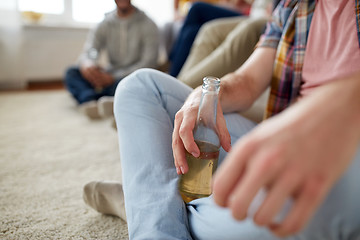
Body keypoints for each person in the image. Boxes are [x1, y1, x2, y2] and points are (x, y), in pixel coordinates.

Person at [84, 0, 360, 239]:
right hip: (276, 142)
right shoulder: (292, 5)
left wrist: (340, 103)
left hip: (345, 156)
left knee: (296, 216)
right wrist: (203, 95)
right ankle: (156, 215)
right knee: (140, 86)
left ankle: (146, 205)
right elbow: (249, 80)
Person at [64, 0, 159, 119]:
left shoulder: (148, 24)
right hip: (109, 73)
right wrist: (89, 63)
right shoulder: (105, 23)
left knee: (137, 84)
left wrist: (113, 77)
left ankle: (97, 98)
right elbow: (91, 50)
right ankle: (93, 101)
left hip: (130, 76)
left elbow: (148, 63)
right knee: (72, 72)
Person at [177, 0, 273, 89]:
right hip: (255, 13)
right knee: (208, 30)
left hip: (267, 18)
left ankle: (180, 88)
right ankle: (177, 82)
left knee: (197, 9)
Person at [168, 1, 249, 77]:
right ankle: (173, 75)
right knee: (192, 32)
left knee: (196, 8)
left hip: (249, 15)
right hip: (245, 12)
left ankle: (173, 75)